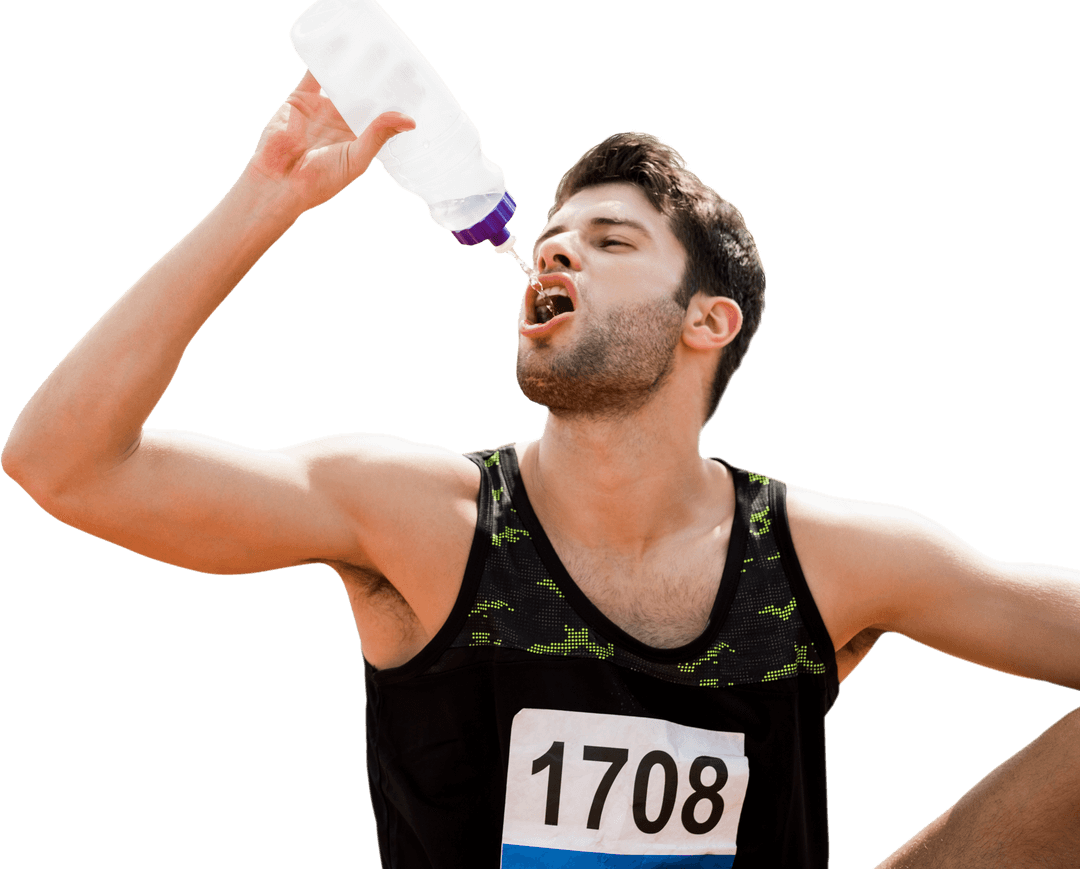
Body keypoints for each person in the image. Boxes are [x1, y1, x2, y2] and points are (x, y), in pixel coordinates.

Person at [3, 70, 1077, 868]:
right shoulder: (421, 517)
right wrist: (267, 195)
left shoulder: (824, 554)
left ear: (709, 318)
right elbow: (62, 463)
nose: (557, 252)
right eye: (553, 238)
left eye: (610, 242)